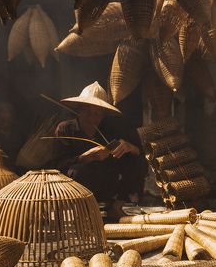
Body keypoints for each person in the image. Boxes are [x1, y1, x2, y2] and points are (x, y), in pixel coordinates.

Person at [53, 82, 146, 221]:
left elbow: (138, 156)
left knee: (137, 161)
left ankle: (116, 207)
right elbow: (59, 166)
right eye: (87, 111)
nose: (91, 117)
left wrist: (130, 147)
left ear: (103, 115)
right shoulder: (65, 129)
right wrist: (85, 158)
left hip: (107, 183)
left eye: (97, 113)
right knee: (78, 171)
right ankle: (83, 213)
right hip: (75, 188)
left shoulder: (110, 128)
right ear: (78, 110)